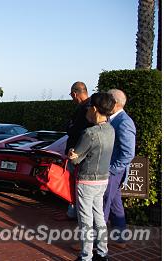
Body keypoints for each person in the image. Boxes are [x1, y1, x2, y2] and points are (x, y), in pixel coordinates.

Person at [67, 92, 116, 261]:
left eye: (88, 109)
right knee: (99, 217)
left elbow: (75, 159)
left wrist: (72, 153)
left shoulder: (89, 133)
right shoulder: (111, 129)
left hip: (86, 180)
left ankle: (86, 256)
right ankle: (103, 253)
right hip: (103, 179)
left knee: (85, 220)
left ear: (94, 109)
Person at [56, 81, 93, 222]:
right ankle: (73, 212)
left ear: (75, 93)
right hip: (77, 153)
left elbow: (76, 130)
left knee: (76, 185)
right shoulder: (86, 107)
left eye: (72, 95)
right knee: (74, 184)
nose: (72, 98)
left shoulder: (86, 108)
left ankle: (77, 215)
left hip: (78, 155)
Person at [104, 89, 136, 248]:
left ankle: (94, 243)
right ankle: (121, 238)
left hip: (113, 172)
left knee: (102, 207)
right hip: (113, 172)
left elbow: (128, 153)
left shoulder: (124, 122)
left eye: (106, 99)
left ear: (115, 103)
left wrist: (111, 170)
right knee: (116, 206)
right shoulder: (113, 119)